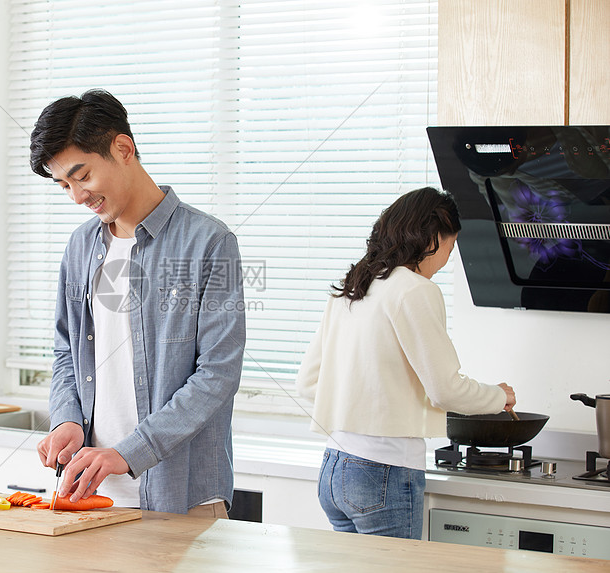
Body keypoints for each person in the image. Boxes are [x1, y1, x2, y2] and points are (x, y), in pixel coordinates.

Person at [29, 89, 246, 517]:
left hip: (182, 497)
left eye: (83, 176)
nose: (77, 197)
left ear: (123, 148)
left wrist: (129, 453)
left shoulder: (209, 242)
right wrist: (67, 419)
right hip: (91, 498)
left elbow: (217, 375)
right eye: (64, 185)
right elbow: (66, 352)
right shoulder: (79, 247)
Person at [295, 187, 516, 539]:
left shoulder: (355, 286)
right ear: (432, 238)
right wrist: (497, 396)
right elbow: (445, 389)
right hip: (383, 470)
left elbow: (307, 383)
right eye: (451, 246)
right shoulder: (414, 290)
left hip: (333, 470)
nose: (447, 258)